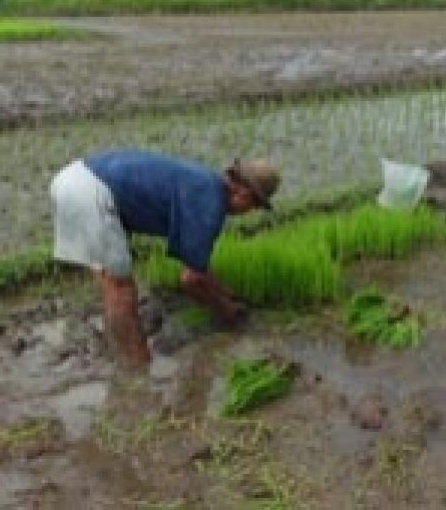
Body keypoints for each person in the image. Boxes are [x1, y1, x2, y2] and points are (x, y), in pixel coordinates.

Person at [50, 149, 280, 368]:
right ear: (244, 195)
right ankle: (137, 370)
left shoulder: (204, 184)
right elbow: (192, 279)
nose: (248, 213)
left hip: (76, 177)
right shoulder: (209, 203)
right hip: (90, 193)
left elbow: (196, 268)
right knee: (121, 291)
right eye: (254, 207)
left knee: (113, 287)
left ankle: (119, 354)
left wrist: (223, 292)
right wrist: (226, 309)